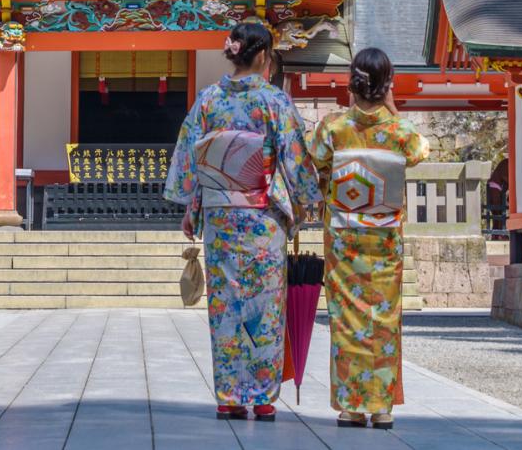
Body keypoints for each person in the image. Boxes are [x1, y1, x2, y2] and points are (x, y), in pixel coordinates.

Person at [163, 22, 321, 421]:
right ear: (265, 54)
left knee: (226, 304)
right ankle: (263, 397)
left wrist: (192, 206)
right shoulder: (275, 102)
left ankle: (229, 396)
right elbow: (295, 159)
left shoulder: (208, 101)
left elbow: (192, 157)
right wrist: (308, 201)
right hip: (262, 216)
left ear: (234, 53)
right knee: (265, 305)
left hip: (220, 216)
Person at [307, 47, 429, 430]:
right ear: (387, 85)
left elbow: (318, 159)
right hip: (385, 238)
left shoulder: (333, 127)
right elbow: (420, 152)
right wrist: (391, 109)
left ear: (352, 85)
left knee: (346, 318)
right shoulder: (400, 131)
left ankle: (350, 406)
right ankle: (382, 407)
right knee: (384, 319)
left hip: (344, 237)